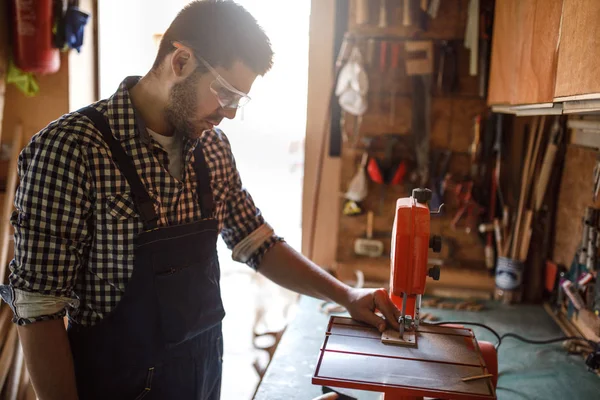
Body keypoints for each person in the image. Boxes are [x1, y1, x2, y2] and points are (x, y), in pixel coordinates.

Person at [0, 1, 401, 399]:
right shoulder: (70, 149)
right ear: (181, 61)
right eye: (224, 93)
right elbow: (39, 310)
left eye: (238, 100)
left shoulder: (212, 149)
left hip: (200, 381)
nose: (227, 113)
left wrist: (346, 296)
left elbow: (256, 242)